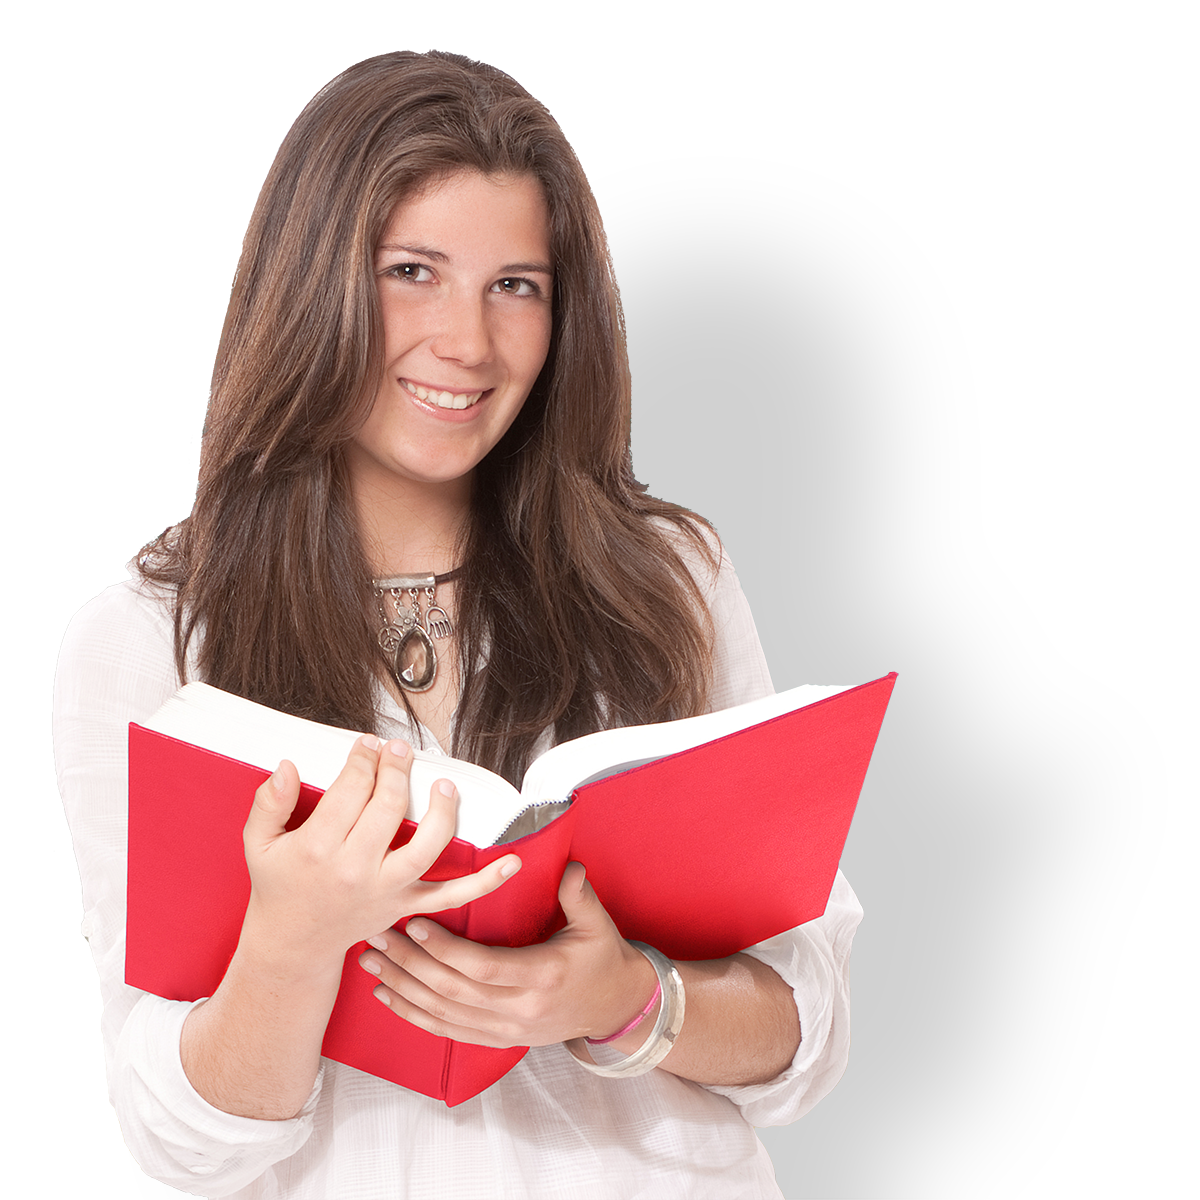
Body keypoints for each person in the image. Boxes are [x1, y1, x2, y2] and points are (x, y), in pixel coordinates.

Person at [53, 51, 864, 1199]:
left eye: (516, 285)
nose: (468, 344)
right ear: (312, 284)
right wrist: (288, 945)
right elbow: (187, 1146)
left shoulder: (670, 576)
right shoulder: (145, 642)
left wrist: (627, 1000)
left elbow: (802, 1040)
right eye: (412, 271)